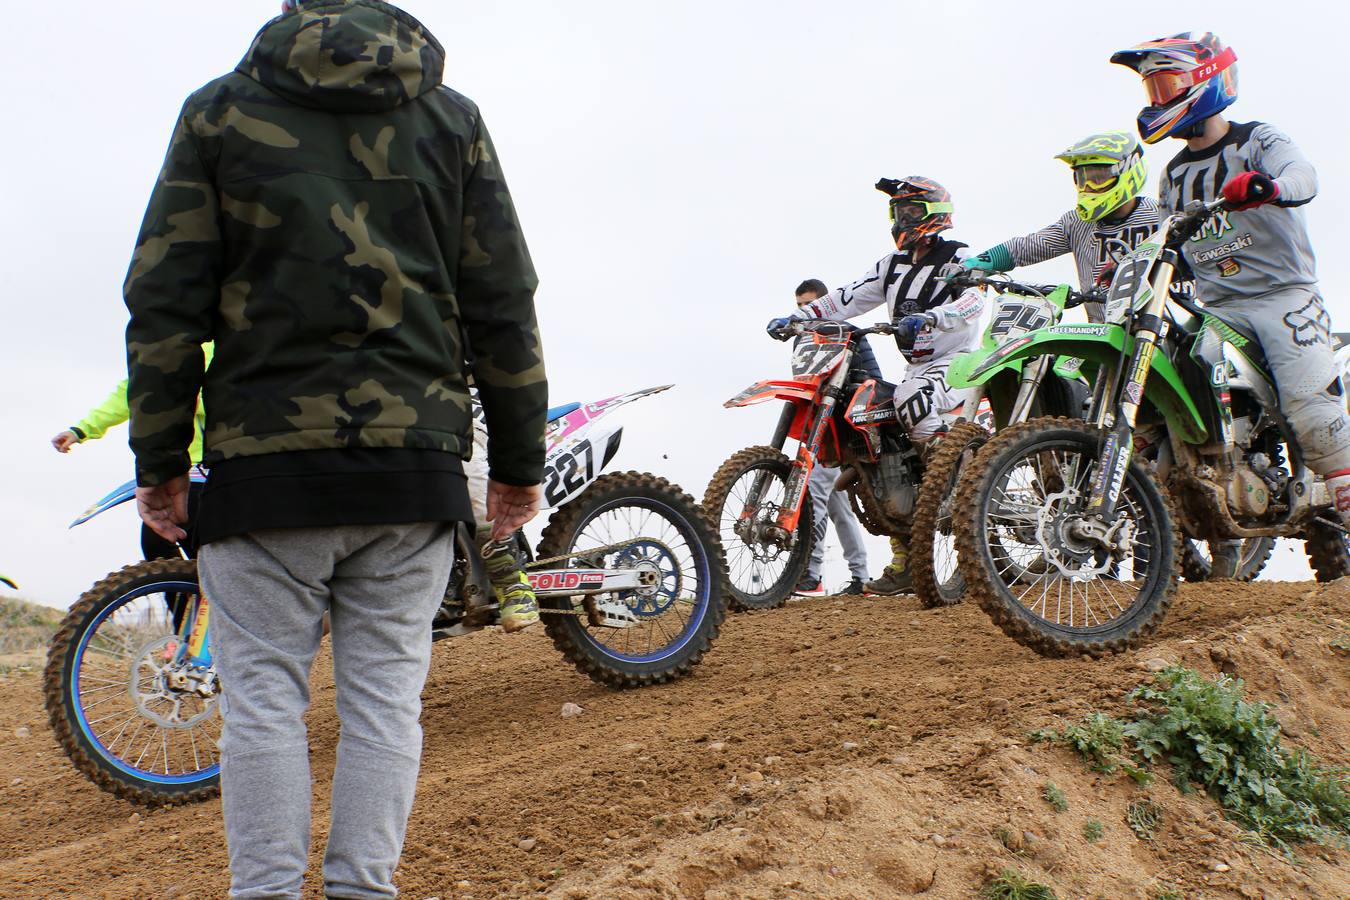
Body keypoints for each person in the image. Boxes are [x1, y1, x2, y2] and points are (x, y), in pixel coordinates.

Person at [124, 1, 547, 897]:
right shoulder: (450, 118)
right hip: (412, 473)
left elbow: (166, 302)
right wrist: (517, 462)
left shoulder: (218, 112)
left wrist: (159, 462)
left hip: (262, 472)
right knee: (385, 708)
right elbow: (503, 298)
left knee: (265, 709)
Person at [1110, 31, 1350, 531]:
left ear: (1206, 81)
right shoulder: (1174, 174)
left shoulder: (1259, 140)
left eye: (1167, 85)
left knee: (1309, 409)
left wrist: (1271, 185)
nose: (1159, 100)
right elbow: (1167, 235)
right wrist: (1139, 262)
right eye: (1153, 90)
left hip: (1283, 297)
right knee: (1169, 379)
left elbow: (1303, 174)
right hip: (1216, 307)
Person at [768, 177, 985, 596]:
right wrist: (798, 317)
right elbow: (846, 298)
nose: (902, 220)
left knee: (907, 400)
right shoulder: (891, 265)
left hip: (955, 362)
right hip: (916, 367)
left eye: (911, 212)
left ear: (935, 215)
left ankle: (957, 478)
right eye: (898, 212)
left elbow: (973, 301)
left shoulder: (958, 257)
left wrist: (935, 317)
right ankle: (905, 550)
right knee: (875, 434)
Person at [961, 132, 1160, 320]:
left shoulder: (1158, 216)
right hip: (1104, 334)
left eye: (1098, 179)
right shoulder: (1076, 224)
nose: (1088, 187)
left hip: (1156, 327)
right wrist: (977, 263)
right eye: (1083, 179)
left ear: (1128, 171)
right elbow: (1025, 247)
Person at [52, 344, 213, 559]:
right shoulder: (170, 345)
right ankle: (188, 589)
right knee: (156, 544)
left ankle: (214, 588)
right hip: (175, 468)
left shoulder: (220, 345)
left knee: (198, 545)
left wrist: (187, 394)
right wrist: (82, 429)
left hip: (212, 467)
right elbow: (133, 390)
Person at [790, 279, 873, 597]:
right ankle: (861, 576)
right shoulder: (801, 340)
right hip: (819, 431)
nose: (805, 313)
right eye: (799, 307)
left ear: (825, 303)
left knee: (814, 499)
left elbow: (872, 377)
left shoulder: (850, 332)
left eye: (810, 305)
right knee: (838, 507)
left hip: (844, 429)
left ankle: (811, 573)